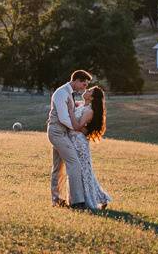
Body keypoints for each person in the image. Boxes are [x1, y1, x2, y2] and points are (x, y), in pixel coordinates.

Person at [47, 69, 91, 209]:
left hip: (62, 132)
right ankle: (77, 201)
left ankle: (57, 200)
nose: (85, 88)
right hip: (57, 132)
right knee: (74, 163)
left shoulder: (69, 94)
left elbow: (71, 109)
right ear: (77, 80)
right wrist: (77, 128)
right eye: (84, 85)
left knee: (58, 167)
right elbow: (63, 118)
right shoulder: (61, 93)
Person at [68, 85, 112, 210]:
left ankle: (88, 199)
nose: (86, 90)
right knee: (83, 171)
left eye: (89, 91)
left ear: (92, 98)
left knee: (84, 172)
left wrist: (71, 114)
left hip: (79, 143)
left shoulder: (89, 111)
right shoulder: (82, 105)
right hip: (74, 140)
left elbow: (77, 127)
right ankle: (100, 197)